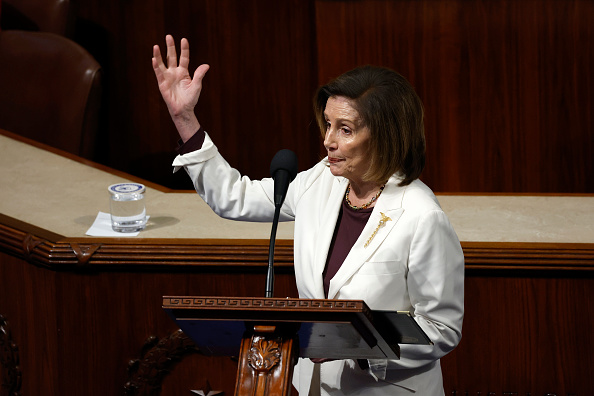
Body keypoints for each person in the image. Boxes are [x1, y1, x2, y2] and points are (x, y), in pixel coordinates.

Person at [152, 34, 464, 396]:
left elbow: (441, 328)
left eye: (344, 130)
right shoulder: (321, 181)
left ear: (385, 136)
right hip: (311, 388)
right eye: (327, 124)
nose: (328, 140)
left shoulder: (421, 216)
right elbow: (232, 197)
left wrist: (355, 348)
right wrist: (184, 118)